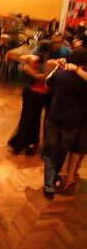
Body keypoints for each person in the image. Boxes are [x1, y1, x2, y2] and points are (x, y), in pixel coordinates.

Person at [42, 48, 87, 198]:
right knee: (62, 152)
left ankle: (49, 184)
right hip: (73, 123)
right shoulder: (84, 80)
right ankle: (53, 178)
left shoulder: (61, 75)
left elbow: (47, 83)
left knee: (50, 153)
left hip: (54, 119)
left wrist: (57, 67)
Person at [8, 41, 55, 155]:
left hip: (30, 92)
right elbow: (46, 78)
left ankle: (19, 144)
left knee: (26, 117)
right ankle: (31, 144)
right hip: (42, 94)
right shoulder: (52, 63)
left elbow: (15, 56)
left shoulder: (32, 58)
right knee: (36, 118)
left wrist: (28, 69)